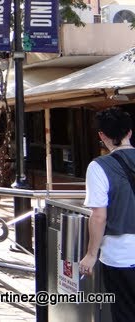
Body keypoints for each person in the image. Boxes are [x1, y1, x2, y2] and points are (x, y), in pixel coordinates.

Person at [80, 107, 135, 322]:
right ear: (129, 132)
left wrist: (91, 254)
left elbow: (99, 216)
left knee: (125, 312)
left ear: (102, 136)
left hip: (121, 255)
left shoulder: (99, 166)